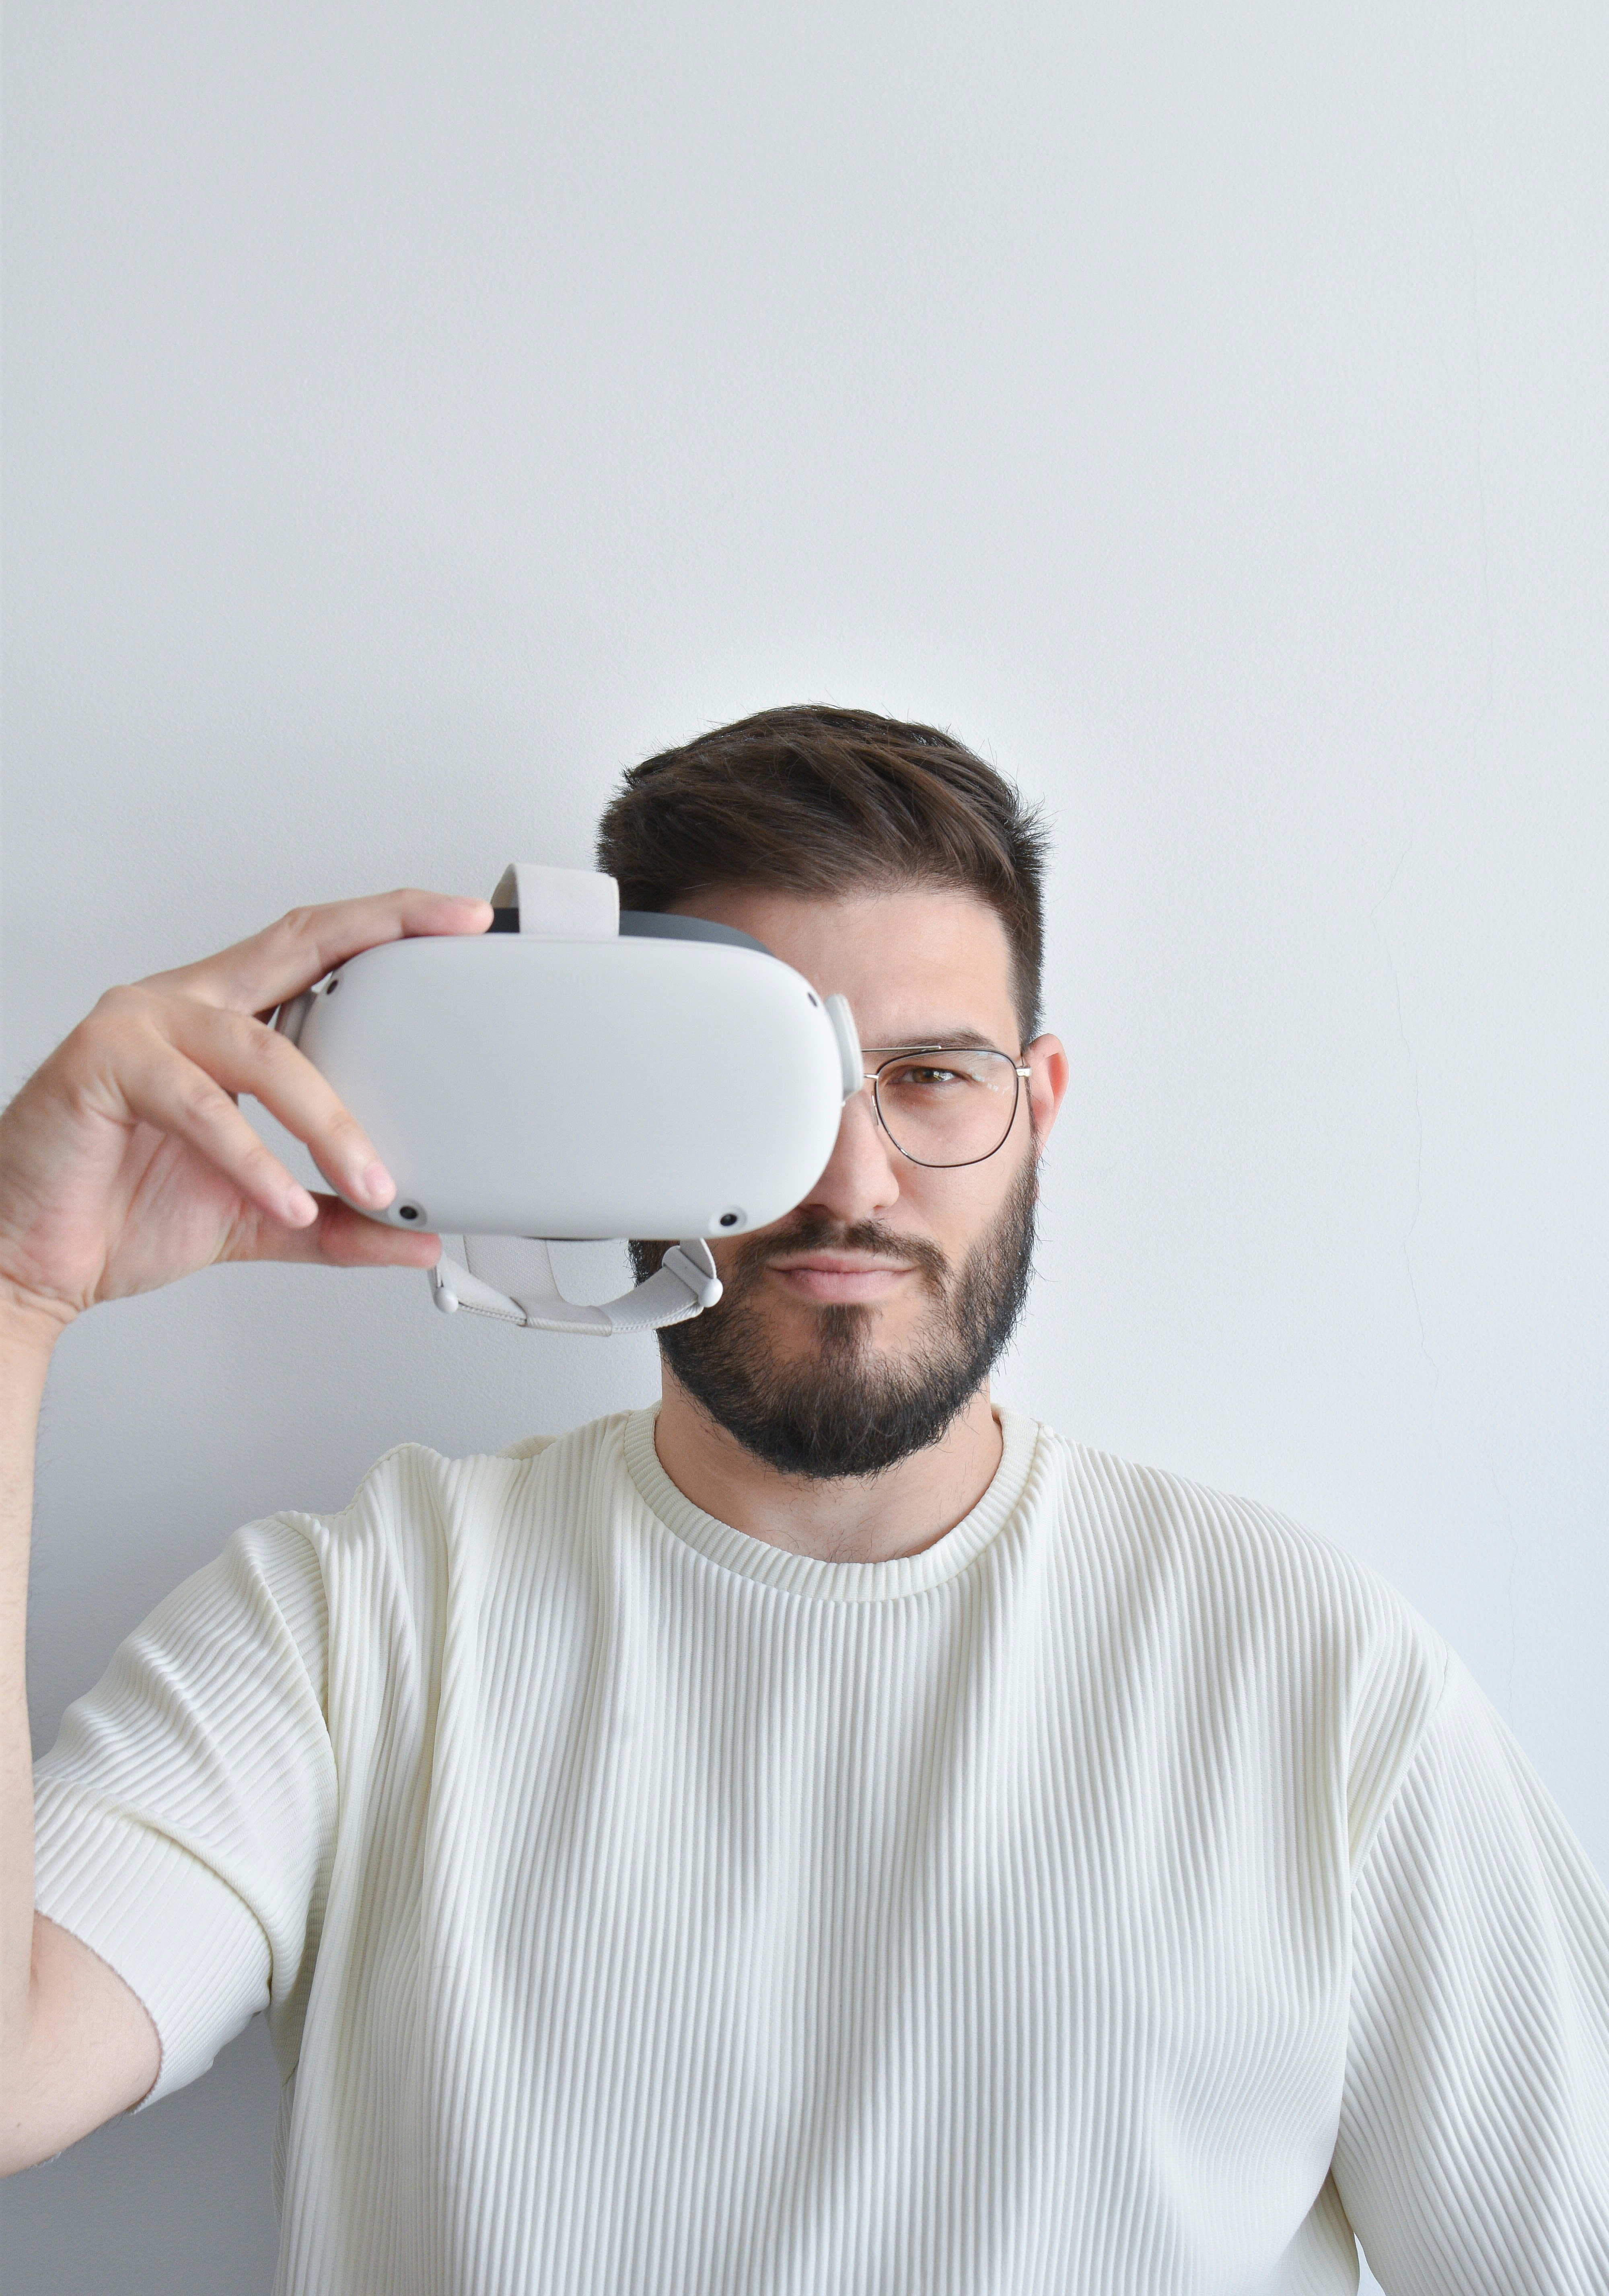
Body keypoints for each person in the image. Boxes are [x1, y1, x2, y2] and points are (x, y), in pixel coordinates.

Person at [2, 707, 1605, 2296]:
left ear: (1036, 1105)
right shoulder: (357, 1625)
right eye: (759, 1085)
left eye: (931, 1076)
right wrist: (14, 1285)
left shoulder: (1315, 1676)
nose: (851, 1180)